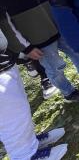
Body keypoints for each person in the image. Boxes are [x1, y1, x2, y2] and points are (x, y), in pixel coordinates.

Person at [0, 28, 67, 160]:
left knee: (20, 110)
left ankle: (30, 143)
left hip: (4, 59)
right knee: (12, 118)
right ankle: (26, 155)